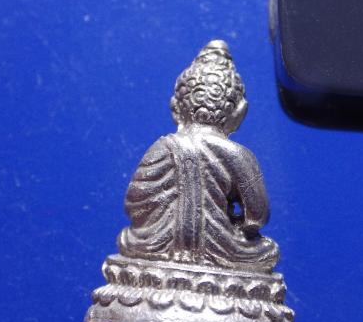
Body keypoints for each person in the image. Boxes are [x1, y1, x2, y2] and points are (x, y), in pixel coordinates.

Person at [117, 40, 279, 273]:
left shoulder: (161, 147)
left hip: (153, 249)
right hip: (225, 251)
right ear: (240, 112)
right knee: (267, 252)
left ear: (175, 109)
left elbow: (134, 206)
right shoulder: (238, 155)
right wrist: (229, 225)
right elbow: (257, 217)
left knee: (126, 240)